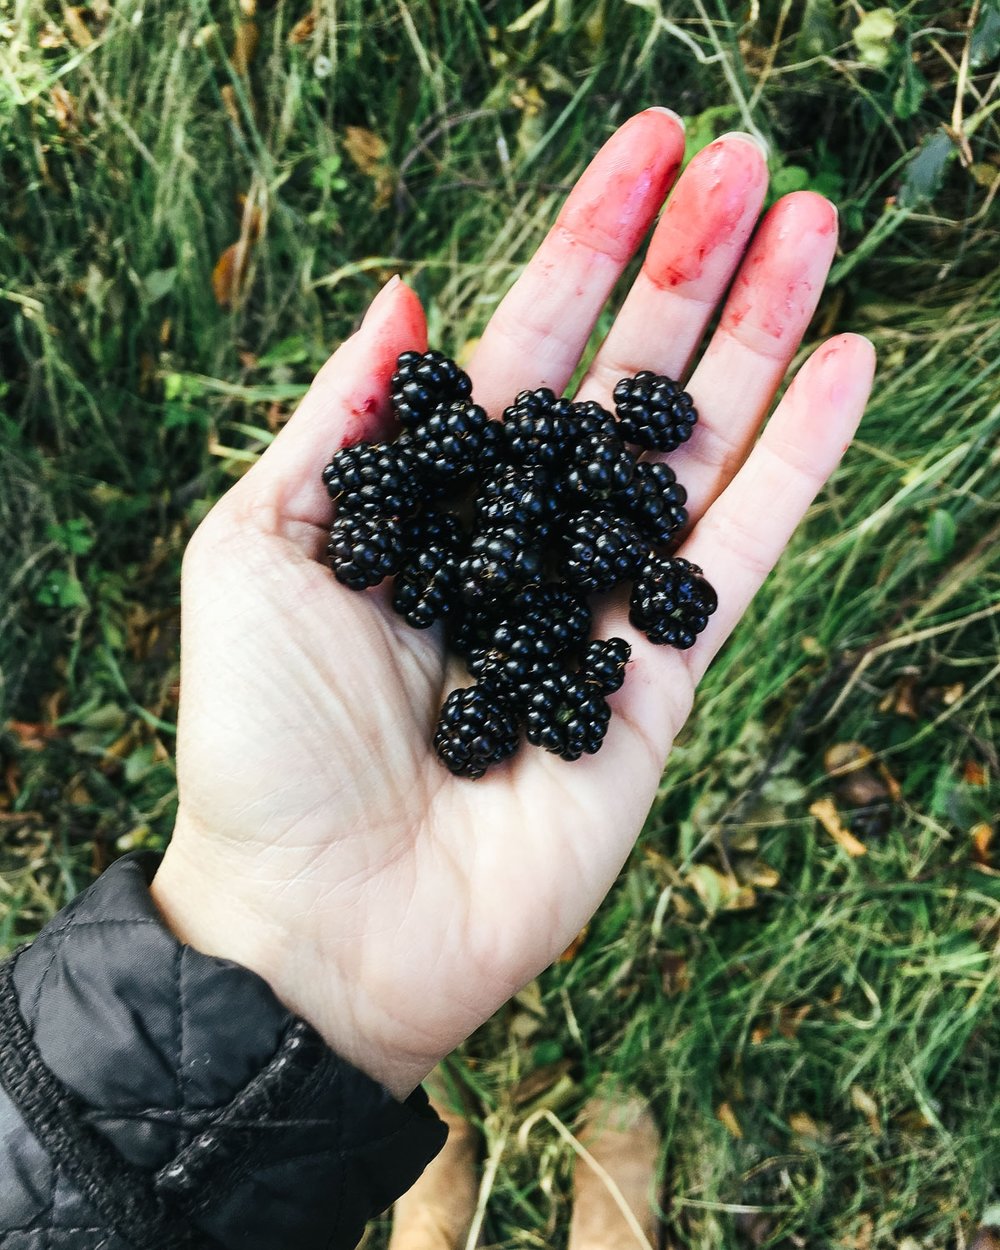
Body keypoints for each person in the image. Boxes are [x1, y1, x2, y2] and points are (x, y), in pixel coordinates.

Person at [0, 108, 874, 1247]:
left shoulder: (522, 543)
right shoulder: (474, 560)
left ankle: (445, 1212)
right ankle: (598, 1222)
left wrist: (271, 936)